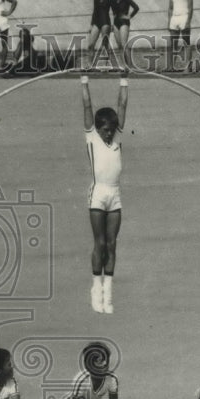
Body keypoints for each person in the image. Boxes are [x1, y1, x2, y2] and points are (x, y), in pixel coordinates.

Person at [80, 74, 129, 313]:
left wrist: (124, 78)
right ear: (97, 129)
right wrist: (84, 78)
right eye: (106, 130)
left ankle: (108, 295)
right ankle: (96, 290)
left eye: (111, 130)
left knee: (112, 243)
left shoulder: (118, 137)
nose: (109, 134)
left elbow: (122, 105)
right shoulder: (92, 137)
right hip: (98, 193)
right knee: (99, 243)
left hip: (115, 194)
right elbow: (87, 105)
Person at [166, 0, 193, 72]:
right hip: (174, 18)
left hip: (184, 17)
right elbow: (170, 8)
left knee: (186, 43)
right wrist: (169, 21)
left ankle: (188, 66)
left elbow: (190, 8)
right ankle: (171, 66)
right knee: (173, 44)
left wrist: (188, 22)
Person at [84, 0, 114, 68]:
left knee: (104, 44)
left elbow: (115, 11)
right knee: (90, 45)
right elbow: (95, 12)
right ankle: (90, 64)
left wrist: (113, 24)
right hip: (97, 22)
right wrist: (91, 25)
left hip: (105, 22)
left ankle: (106, 64)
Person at [110, 0, 140, 68]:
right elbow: (114, 13)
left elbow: (136, 7)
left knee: (124, 44)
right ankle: (123, 65)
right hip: (116, 22)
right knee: (119, 45)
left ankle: (130, 66)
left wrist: (129, 16)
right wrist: (112, 24)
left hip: (124, 22)